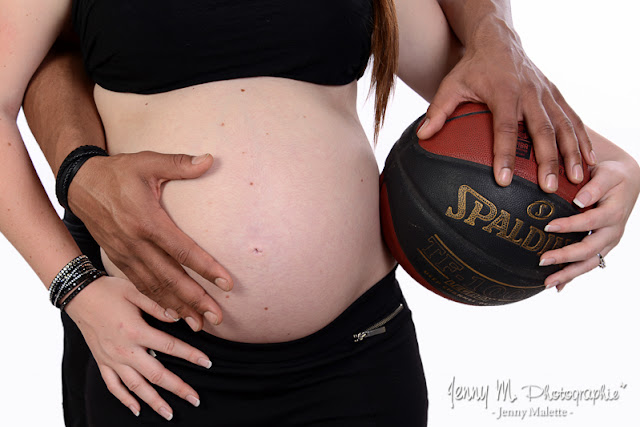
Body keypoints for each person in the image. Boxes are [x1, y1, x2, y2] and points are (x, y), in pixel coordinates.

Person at [2, 1, 638, 426]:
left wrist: (617, 172)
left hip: (356, 359)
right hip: (156, 359)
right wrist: (74, 287)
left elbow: (488, 98)